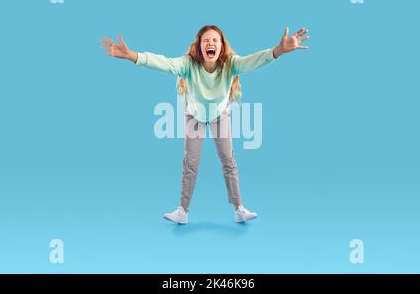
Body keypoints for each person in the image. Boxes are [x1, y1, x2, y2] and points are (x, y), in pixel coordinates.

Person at [101, 25, 309, 224]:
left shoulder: (231, 64)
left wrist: (279, 50)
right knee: (190, 163)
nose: (211, 43)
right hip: (195, 116)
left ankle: (239, 209)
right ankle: (182, 211)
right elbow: (164, 63)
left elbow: (252, 61)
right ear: (200, 46)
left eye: (215, 40)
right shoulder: (188, 64)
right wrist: (133, 56)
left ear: (221, 46)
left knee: (229, 161)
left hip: (220, 115)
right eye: (206, 40)